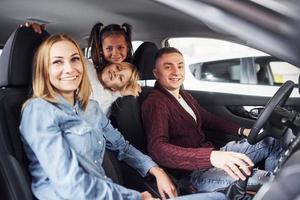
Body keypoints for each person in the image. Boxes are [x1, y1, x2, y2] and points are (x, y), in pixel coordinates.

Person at [19, 34, 228, 200]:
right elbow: (70, 184)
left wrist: (157, 171)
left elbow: (122, 146)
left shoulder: (90, 108)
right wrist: (135, 197)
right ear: (43, 70)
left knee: (218, 197)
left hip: (107, 192)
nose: (70, 69)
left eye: (75, 59)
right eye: (57, 62)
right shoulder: (39, 110)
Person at [141, 47, 283, 193]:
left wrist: (243, 130)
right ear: (156, 73)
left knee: (270, 140)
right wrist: (210, 157)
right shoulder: (155, 103)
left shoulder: (184, 96)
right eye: (168, 67)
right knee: (268, 181)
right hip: (193, 174)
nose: (176, 72)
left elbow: (209, 119)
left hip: (212, 156)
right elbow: (157, 149)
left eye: (180, 65)